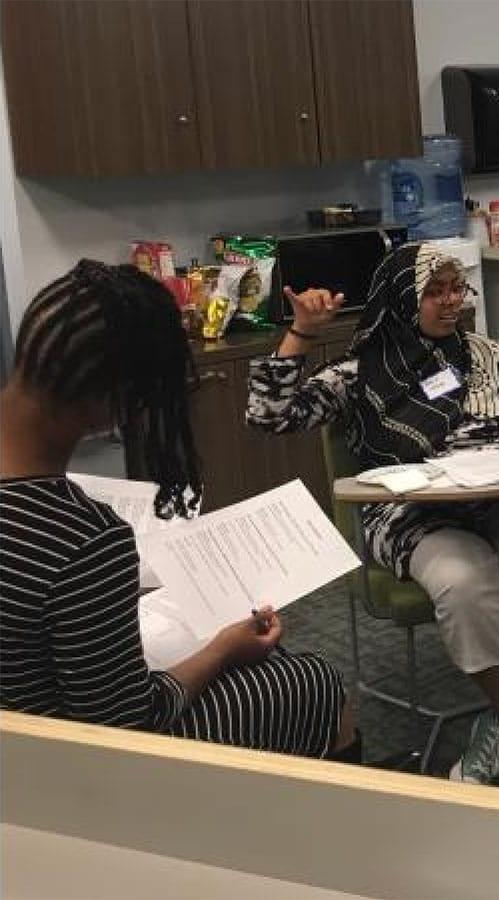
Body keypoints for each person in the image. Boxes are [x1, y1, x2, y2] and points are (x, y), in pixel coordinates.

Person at [247, 242, 499, 791]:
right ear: (403, 297)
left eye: (458, 289)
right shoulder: (360, 371)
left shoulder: (489, 355)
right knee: (467, 584)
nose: (452, 302)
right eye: (435, 291)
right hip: (412, 512)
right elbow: (268, 416)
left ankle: (498, 721)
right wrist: (301, 334)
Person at [0, 260, 356, 760]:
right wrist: (222, 651)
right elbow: (129, 725)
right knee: (309, 679)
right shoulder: (85, 539)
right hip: (58, 770)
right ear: (116, 400)